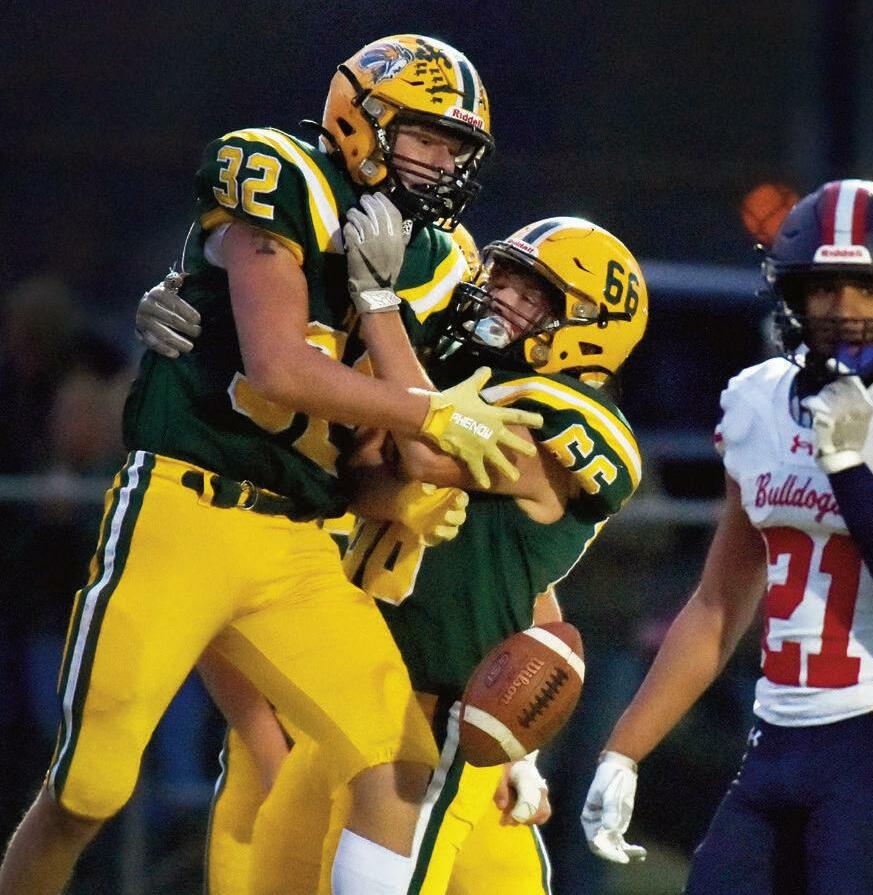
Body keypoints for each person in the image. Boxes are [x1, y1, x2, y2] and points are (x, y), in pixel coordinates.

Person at [0, 34, 544, 895]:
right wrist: (425, 407)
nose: (443, 164)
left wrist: (404, 461)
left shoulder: (443, 258)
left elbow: (397, 435)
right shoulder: (279, 170)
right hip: (185, 510)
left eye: (456, 148)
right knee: (87, 792)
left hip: (299, 541)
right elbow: (279, 367)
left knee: (397, 768)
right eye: (426, 138)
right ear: (360, 121)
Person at [139, 217, 649, 894]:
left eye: (532, 295)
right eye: (504, 279)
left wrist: (380, 303)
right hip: (347, 687)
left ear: (588, 330)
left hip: (437, 705)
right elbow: (359, 471)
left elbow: (431, 449)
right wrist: (192, 313)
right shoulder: (446, 365)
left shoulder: (564, 416)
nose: (501, 298)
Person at [580, 180, 873, 895]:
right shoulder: (756, 399)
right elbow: (717, 606)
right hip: (775, 738)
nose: (844, 309)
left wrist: (848, 469)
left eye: (867, 287)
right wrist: (623, 752)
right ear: (792, 295)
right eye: (823, 287)